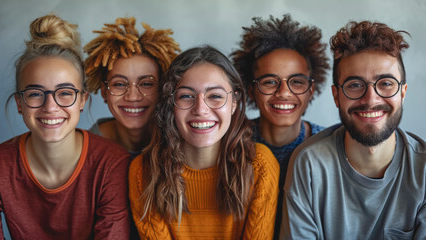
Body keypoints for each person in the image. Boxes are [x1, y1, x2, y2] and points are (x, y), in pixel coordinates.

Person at [281, 20, 426, 239]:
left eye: (386, 83)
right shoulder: (309, 163)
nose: (370, 99)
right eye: (355, 85)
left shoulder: (423, 170)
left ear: (403, 92)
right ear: (336, 96)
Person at [0, 14, 131, 239]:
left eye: (65, 93)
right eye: (35, 94)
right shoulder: (0, 166)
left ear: (82, 101)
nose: (50, 107)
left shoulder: (112, 164)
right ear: (20, 103)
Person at [129, 46, 279, 239]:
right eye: (186, 96)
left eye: (215, 96)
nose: (200, 109)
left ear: (234, 103)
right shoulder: (143, 171)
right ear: (170, 104)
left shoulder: (260, 165)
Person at [231, 14, 330, 238]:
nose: (284, 92)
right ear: (250, 90)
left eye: (297, 82)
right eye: (269, 82)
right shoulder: (229, 142)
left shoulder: (329, 147)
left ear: (311, 90)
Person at [84, 17, 180, 158]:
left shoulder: (180, 144)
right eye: (120, 84)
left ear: (162, 90)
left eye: (146, 84)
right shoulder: (85, 150)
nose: (133, 96)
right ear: (105, 92)